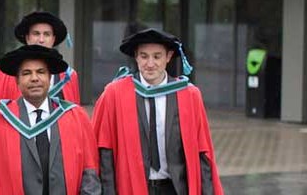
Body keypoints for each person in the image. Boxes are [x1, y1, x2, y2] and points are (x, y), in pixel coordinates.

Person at [93, 28, 223, 195]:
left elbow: (202, 153)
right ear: (135, 56)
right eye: (144, 56)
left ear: (168, 57)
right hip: (131, 189)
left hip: (175, 189)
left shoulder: (189, 96)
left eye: (157, 56)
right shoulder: (115, 94)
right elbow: (104, 152)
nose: (150, 64)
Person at [0, 45, 101, 195]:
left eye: (41, 72)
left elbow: (89, 173)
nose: (34, 78)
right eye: (26, 73)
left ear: (49, 78)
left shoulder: (76, 117)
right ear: (17, 81)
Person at [0, 12, 81, 118]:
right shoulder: (6, 72)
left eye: (46, 34)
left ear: (53, 39)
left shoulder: (69, 76)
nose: (41, 40)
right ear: (27, 38)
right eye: (36, 33)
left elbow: (74, 118)